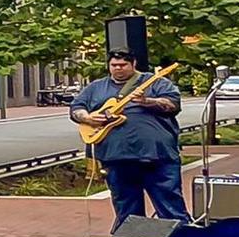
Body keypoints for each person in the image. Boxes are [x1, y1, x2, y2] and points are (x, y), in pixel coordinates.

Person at [70, 51, 189, 226]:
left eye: (123, 65)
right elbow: (77, 108)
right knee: (126, 207)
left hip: (157, 155)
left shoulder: (157, 82)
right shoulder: (96, 87)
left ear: (133, 64)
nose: (118, 68)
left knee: (169, 202)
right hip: (116, 156)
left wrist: (147, 101)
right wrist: (87, 118)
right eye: (114, 65)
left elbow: (173, 104)